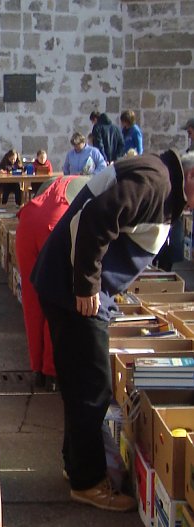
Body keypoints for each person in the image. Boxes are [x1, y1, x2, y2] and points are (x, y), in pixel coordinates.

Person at [31, 150, 193, 512]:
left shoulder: (159, 177)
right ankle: (88, 482)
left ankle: (77, 467)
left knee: (79, 383)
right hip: (73, 292)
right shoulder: (157, 182)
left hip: (67, 286)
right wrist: (88, 286)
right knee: (92, 386)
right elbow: (94, 219)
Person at [15, 175, 89, 391]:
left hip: (27, 220)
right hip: (55, 222)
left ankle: (36, 369)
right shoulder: (104, 188)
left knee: (32, 300)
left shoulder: (61, 181)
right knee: (56, 300)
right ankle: (52, 371)